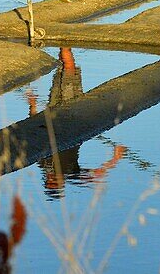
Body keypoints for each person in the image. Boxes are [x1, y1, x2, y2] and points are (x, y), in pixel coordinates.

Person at [25, 48, 127, 198]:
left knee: (61, 71)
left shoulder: (43, 165)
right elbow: (96, 175)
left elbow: (35, 127)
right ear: (62, 184)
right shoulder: (70, 173)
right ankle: (65, 43)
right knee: (69, 70)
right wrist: (115, 158)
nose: (51, 178)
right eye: (54, 182)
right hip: (71, 112)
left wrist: (33, 105)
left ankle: (63, 44)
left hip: (54, 110)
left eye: (49, 181)